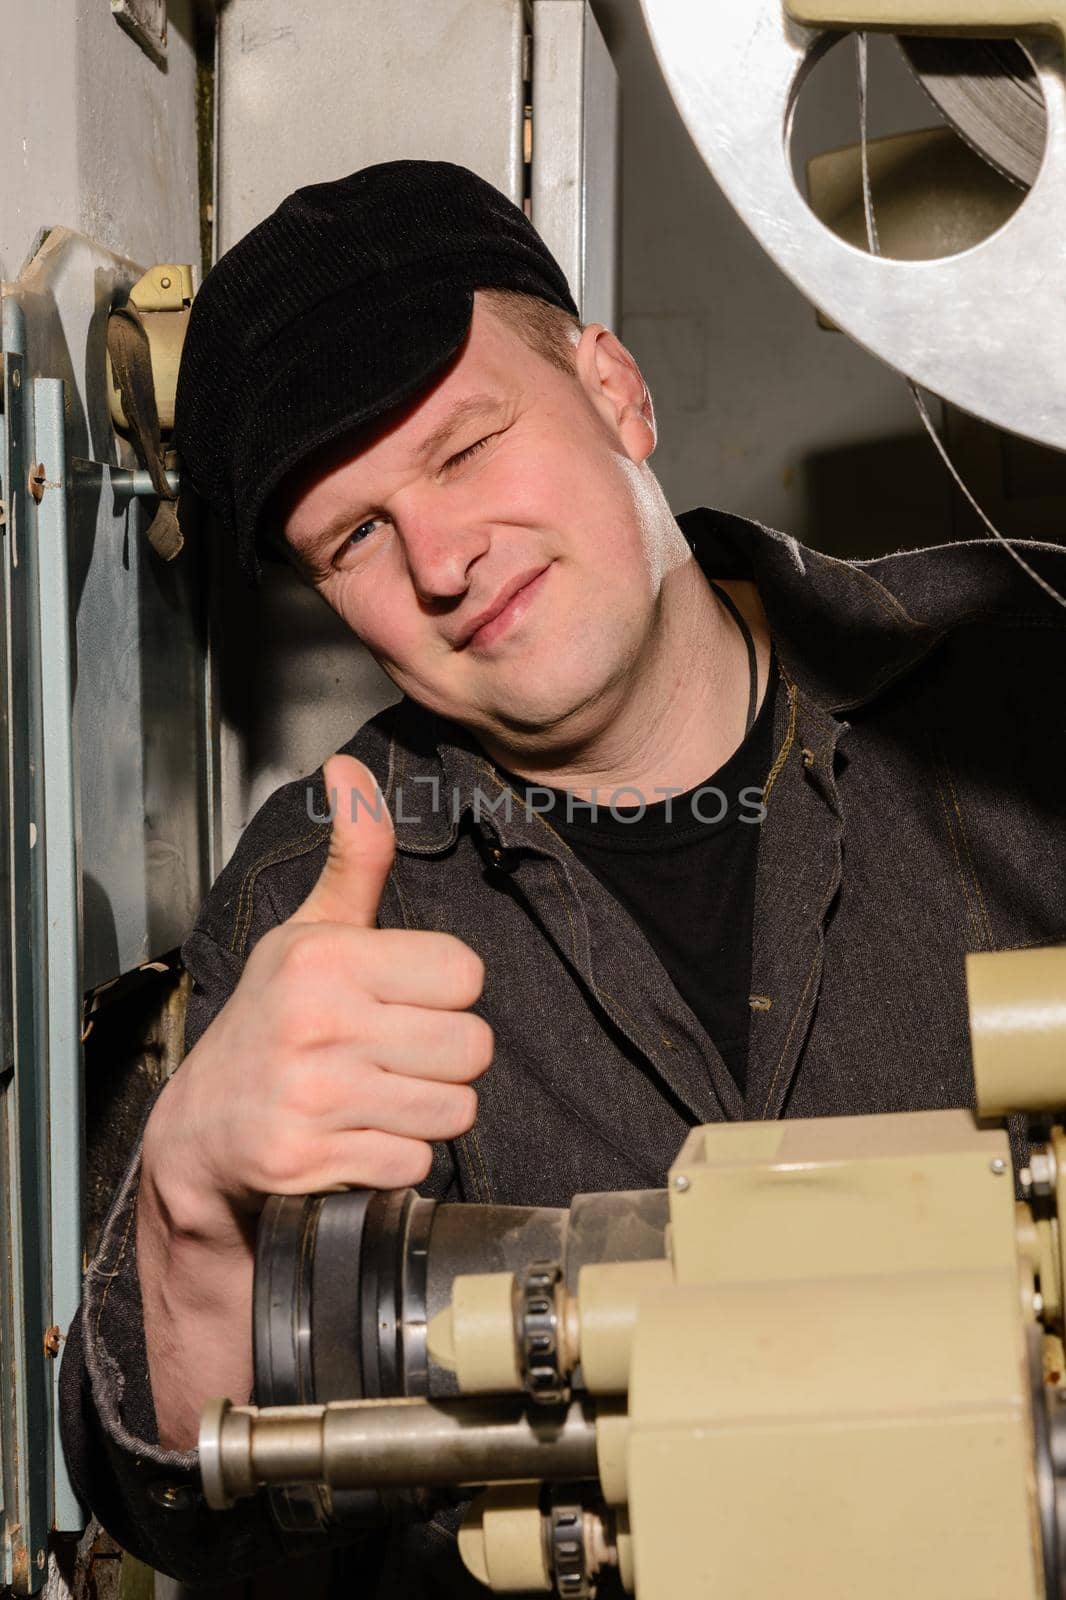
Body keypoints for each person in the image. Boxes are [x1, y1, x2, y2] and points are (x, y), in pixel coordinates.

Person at [61, 160, 1066, 1594]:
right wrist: (197, 1218)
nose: (445, 557)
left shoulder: (1026, 671)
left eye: (466, 449)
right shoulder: (322, 892)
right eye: (354, 535)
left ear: (614, 391)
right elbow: (184, 1507)